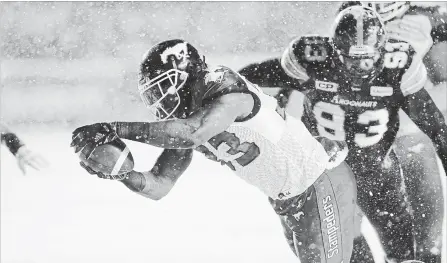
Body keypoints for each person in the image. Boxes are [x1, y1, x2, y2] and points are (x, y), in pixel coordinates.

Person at [70, 39, 359, 263]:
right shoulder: (190, 118)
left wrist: (114, 128)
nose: (158, 100)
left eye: (162, 88)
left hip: (318, 183)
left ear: (183, 75)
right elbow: (160, 185)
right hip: (291, 198)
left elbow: (192, 132)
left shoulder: (221, 88)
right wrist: (121, 173)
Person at [238, 6, 446, 263]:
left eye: (368, 58)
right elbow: (250, 77)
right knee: (346, 254)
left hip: (376, 171)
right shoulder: (313, 60)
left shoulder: (399, 66)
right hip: (326, 173)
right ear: (335, 51)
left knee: (406, 253)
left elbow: (436, 128)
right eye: (351, 58)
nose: (360, 66)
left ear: (384, 49)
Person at [338, 1, 447, 84]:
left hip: (404, 103)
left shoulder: (429, 20)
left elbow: (442, 86)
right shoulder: (349, 15)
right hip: (364, 100)